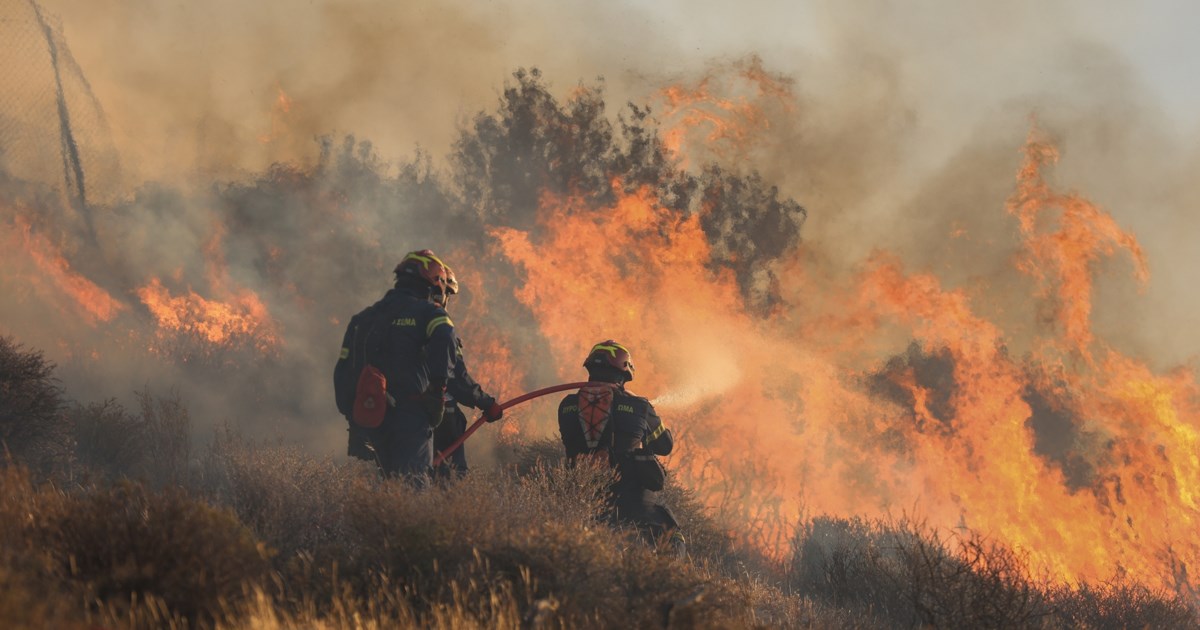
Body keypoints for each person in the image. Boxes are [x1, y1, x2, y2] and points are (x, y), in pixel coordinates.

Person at [335, 249, 459, 483]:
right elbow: (446, 337)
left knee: (373, 489)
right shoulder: (429, 313)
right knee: (411, 487)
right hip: (410, 417)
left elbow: (342, 370)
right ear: (433, 282)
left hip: (367, 417)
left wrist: (352, 412)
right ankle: (404, 520)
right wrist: (437, 390)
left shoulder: (363, 318)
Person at [557, 340, 685, 557]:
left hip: (582, 501)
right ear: (623, 374)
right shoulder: (640, 406)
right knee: (673, 538)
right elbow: (665, 445)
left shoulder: (566, 405)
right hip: (634, 501)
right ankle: (666, 582)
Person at [431, 266, 503, 477]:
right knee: (449, 475)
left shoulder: (393, 323)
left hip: (398, 414)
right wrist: (487, 404)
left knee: (405, 474)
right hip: (439, 413)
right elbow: (456, 378)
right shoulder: (438, 326)